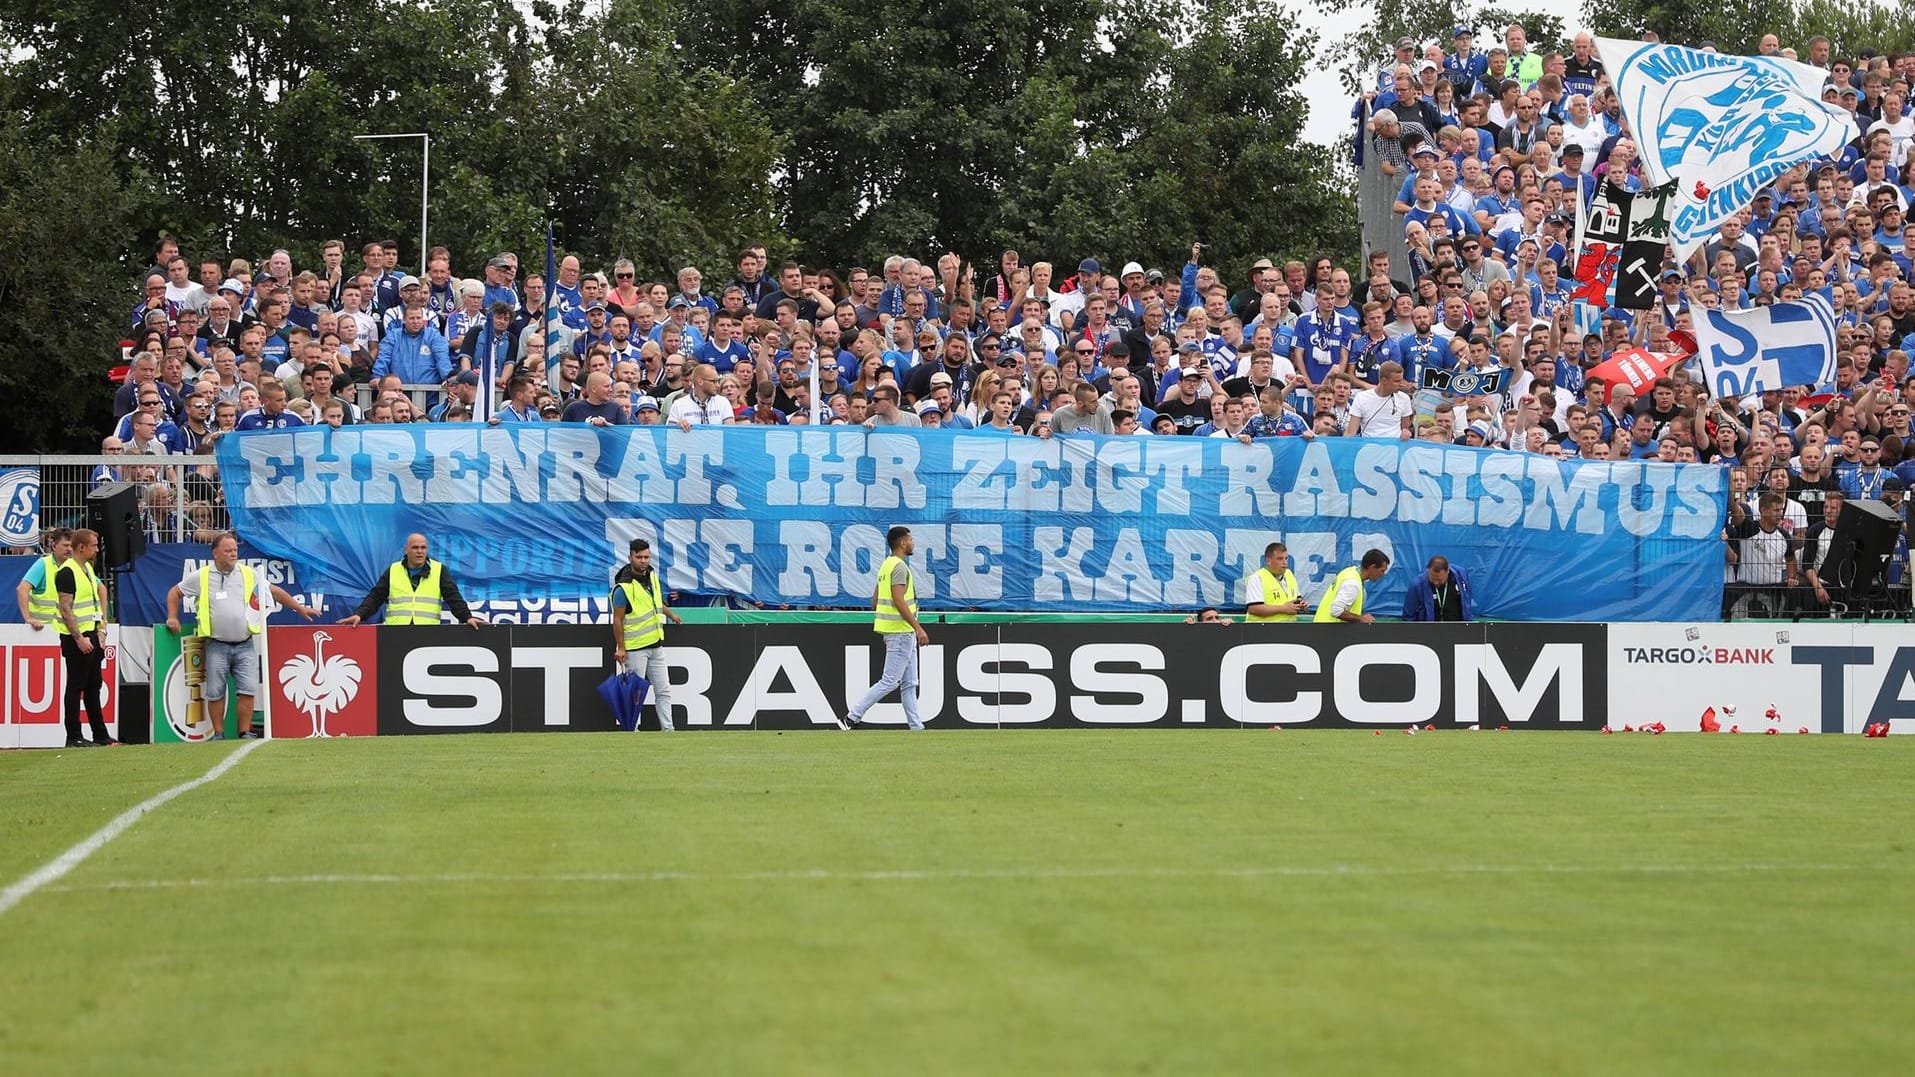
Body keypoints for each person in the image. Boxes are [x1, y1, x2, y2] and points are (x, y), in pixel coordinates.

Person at [165, 532, 317, 739]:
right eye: (228, 551)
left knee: (248, 690)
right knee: (215, 691)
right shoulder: (201, 576)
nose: (233, 554)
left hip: (245, 643)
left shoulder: (248, 574)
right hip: (216, 644)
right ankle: (218, 733)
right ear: (215, 553)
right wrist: (173, 617)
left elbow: (273, 592)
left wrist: (300, 608)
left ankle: (244, 731)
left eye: (235, 550)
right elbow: (175, 592)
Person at [843, 525, 927, 731]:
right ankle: (852, 717)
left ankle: (917, 728)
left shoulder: (886, 566)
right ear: (902, 542)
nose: (913, 542)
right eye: (910, 539)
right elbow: (898, 599)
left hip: (897, 631)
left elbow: (874, 601)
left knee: (910, 683)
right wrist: (918, 627)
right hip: (901, 632)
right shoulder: (899, 567)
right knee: (890, 681)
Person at [611, 538, 683, 732]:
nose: (643, 561)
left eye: (647, 557)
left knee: (664, 690)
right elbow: (617, 620)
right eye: (639, 557)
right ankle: (632, 730)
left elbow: (656, 602)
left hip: (656, 645)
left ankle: (668, 729)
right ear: (630, 557)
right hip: (635, 649)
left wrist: (671, 615)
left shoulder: (651, 576)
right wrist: (621, 647)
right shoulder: (623, 587)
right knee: (635, 693)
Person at [338, 533, 487, 628]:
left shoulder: (439, 570)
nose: (420, 551)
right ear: (406, 550)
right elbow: (376, 597)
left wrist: (467, 617)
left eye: (423, 547)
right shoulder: (393, 570)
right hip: (396, 634)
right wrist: (359, 615)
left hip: (427, 635)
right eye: (415, 547)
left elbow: (453, 597)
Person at [55, 528, 114, 746]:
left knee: (93, 685)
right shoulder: (67, 572)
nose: (97, 549)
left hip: (91, 632)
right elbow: (65, 608)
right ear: (82, 547)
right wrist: (79, 638)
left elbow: (96, 601)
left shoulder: (87, 568)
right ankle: (74, 736)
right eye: (94, 545)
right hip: (76, 637)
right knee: (76, 685)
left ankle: (100, 734)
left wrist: (101, 628)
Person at [15, 527, 73, 631]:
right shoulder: (43, 564)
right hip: (42, 631)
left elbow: (100, 588)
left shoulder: (76, 566)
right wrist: (28, 618)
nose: (69, 549)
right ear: (54, 546)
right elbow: (22, 589)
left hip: (68, 630)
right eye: (65, 545)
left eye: (71, 546)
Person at [1313, 547, 1391, 623]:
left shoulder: (1350, 572)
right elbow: (1336, 610)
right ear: (1372, 567)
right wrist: (1361, 619)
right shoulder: (1352, 583)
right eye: (1382, 571)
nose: (1383, 574)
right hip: (1328, 632)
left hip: (1323, 629)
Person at [1243, 541, 1307, 622]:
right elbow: (1254, 608)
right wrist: (1283, 609)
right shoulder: (1257, 578)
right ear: (1268, 561)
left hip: (1288, 630)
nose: (1285, 562)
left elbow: (1297, 599)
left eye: (1286, 558)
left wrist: (1301, 605)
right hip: (1262, 631)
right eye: (1280, 559)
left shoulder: (1289, 574)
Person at [1401, 555, 1474, 621]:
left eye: (1439, 580)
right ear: (1428, 570)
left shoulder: (1461, 576)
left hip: (1457, 628)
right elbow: (1409, 615)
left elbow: (1467, 600)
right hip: (1430, 630)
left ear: (1447, 571)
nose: (1436, 582)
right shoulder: (1417, 585)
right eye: (1432, 578)